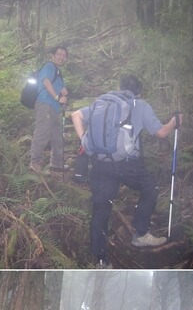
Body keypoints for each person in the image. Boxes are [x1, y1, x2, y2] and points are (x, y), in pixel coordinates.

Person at [71, 74, 182, 268]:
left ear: (120, 87)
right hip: (127, 165)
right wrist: (175, 122)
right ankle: (140, 234)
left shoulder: (102, 102)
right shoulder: (139, 104)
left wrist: (83, 139)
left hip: (99, 163)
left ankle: (101, 260)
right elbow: (162, 132)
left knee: (101, 209)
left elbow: (75, 115)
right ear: (138, 92)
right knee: (150, 187)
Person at [30, 46, 69, 179]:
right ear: (53, 55)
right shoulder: (49, 66)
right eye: (59, 54)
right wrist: (58, 97)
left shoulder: (58, 71)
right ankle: (35, 162)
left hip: (55, 108)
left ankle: (57, 164)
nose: (61, 57)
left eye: (64, 55)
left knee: (57, 135)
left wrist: (63, 93)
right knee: (42, 133)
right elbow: (46, 82)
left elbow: (58, 88)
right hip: (45, 104)